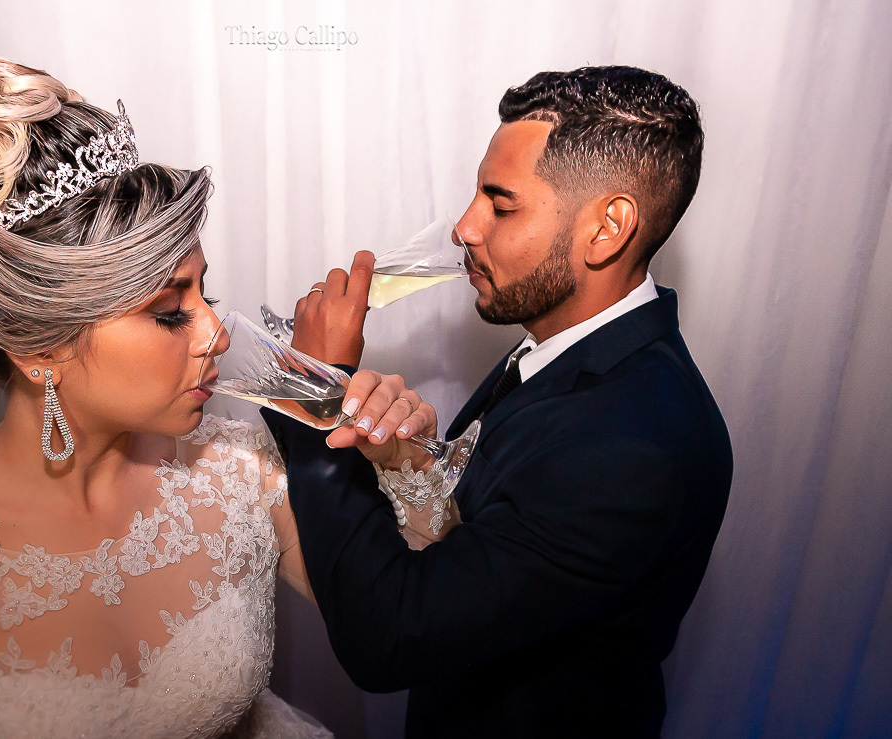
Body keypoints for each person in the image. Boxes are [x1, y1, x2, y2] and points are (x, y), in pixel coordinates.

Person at [0, 52, 446, 739]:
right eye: (170, 312)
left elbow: (414, 622)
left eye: (205, 294)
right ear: (39, 349)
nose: (216, 333)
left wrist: (403, 462)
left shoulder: (240, 471)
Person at [268, 65, 734, 737]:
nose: (464, 226)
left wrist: (317, 392)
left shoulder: (634, 445)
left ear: (608, 227)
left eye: (501, 204)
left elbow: (391, 634)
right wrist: (414, 465)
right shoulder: (568, 350)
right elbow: (485, 534)